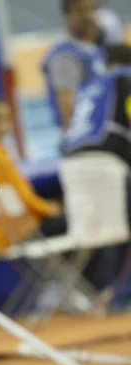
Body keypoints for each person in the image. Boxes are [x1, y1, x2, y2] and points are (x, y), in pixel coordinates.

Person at [60, 43, 131, 291]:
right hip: (104, 160)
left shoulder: (90, 86)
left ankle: (87, 292)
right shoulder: (125, 77)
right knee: (116, 233)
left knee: (90, 235)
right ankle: (121, 295)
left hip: (71, 162)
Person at [0, 97, 62, 252]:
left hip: (1, 235)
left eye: (6, 119)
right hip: (24, 231)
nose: (2, 125)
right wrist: (51, 209)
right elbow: (25, 198)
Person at [42, 0, 107, 129]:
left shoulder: (93, 48)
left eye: (91, 9)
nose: (87, 15)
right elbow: (67, 106)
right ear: (67, 16)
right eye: (80, 10)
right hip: (87, 137)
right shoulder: (65, 55)